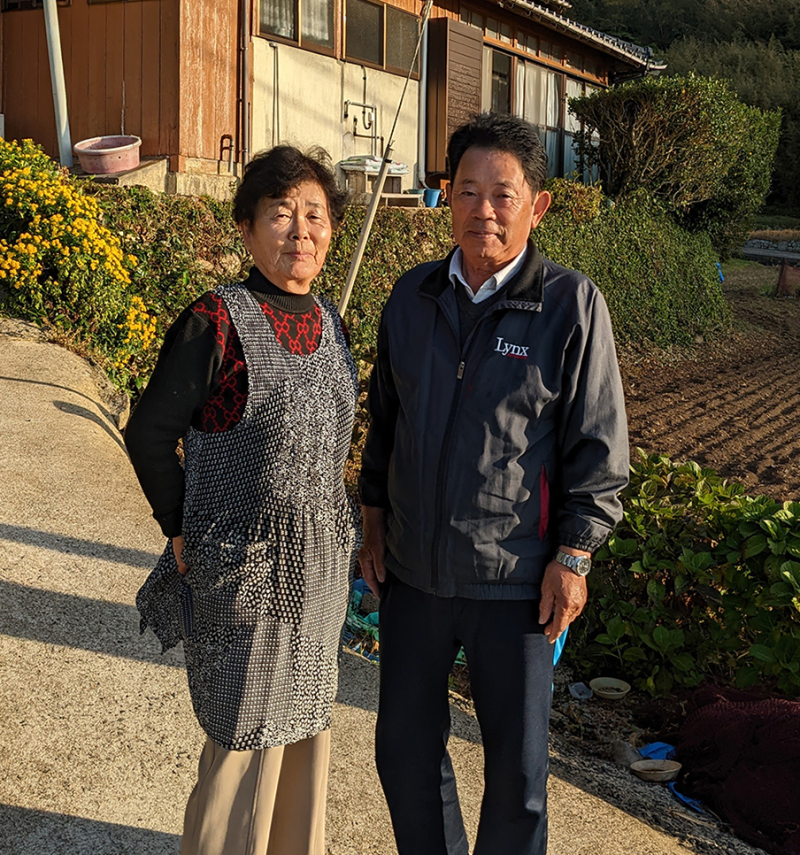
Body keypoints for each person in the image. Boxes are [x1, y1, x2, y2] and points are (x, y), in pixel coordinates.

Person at [358, 112, 629, 855]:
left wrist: (574, 559)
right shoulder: (411, 298)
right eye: (468, 190)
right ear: (446, 196)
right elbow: (386, 422)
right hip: (414, 576)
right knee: (403, 754)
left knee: (517, 780)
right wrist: (373, 518)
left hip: (515, 583)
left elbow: (599, 453)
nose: (484, 209)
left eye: (503, 194)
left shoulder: (570, 306)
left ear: (536, 206)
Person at [125, 145, 358, 855]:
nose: (300, 231)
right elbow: (149, 433)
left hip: (319, 568)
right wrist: (178, 528)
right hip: (243, 564)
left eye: (314, 215)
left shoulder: (331, 323)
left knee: (308, 732)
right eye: (281, 213)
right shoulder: (217, 321)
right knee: (242, 734)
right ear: (248, 227)